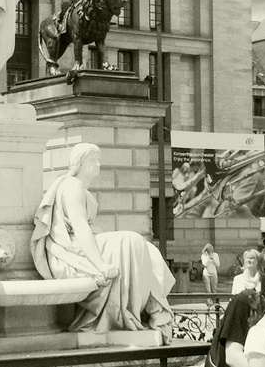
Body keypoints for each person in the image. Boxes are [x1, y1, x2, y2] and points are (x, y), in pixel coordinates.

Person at [31, 142, 174, 339]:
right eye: (92, 160)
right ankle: (141, 314)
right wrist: (100, 264)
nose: (98, 164)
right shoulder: (72, 185)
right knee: (131, 241)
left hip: (78, 245)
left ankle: (154, 312)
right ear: (79, 163)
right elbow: (80, 226)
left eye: (98, 160)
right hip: (69, 250)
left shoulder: (81, 188)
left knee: (148, 249)